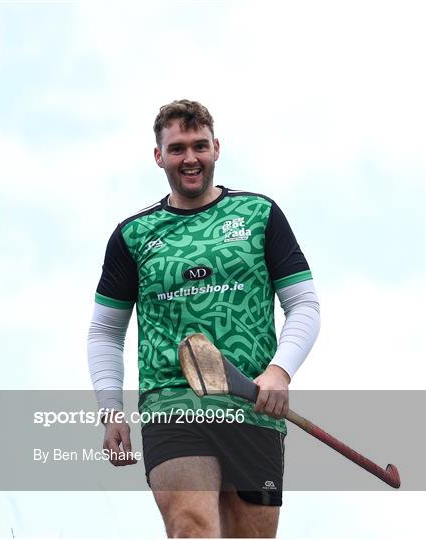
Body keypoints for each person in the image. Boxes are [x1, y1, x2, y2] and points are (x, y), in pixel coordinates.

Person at [88, 99, 320, 538]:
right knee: (191, 527)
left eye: (199, 146)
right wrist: (110, 410)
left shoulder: (259, 214)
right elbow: (105, 331)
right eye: (177, 149)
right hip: (172, 402)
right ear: (159, 156)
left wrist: (279, 372)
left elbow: (304, 304)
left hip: (253, 406)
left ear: (216, 148)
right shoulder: (134, 235)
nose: (189, 158)